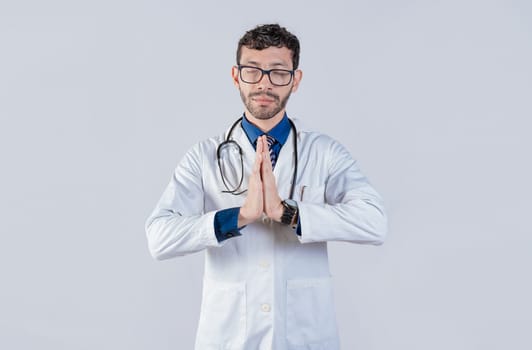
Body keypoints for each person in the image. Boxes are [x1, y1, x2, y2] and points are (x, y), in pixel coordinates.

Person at [145, 23, 387, 350]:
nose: (264, 83)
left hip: (305, 334)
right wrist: (239, 216)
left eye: (278, 72)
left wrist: (287, 213)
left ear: (295, 80)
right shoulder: (203, 156)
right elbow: (159, 238)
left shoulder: (325, 153)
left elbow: (375, 222)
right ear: (236, 76)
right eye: (253, 71)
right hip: (229, 336)